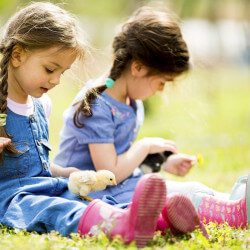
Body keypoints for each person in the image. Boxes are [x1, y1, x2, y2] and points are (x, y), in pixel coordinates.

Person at [0, 2, 185, 247]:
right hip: (14, 199)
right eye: (50, 69)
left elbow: (40, 168)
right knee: (56, 209)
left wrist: (68, 173)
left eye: (62, 73)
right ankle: (121, 226)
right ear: (17, 55)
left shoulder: (41, 106)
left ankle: (154, 221)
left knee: (88, 197)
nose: (56, 80)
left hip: (46, 186)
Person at [54, 5, 249, 230]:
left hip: (120, 186)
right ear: (137, 67)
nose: (160, 90)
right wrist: (145, 147)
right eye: (161, 82)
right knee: (177, 194)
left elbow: (122, 157)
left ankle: (231, 200)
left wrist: (163, 163)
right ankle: (231, 213)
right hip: (92, 194)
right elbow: (110, 172)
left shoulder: (130, 102)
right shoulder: (97, 104)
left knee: (182, 188)